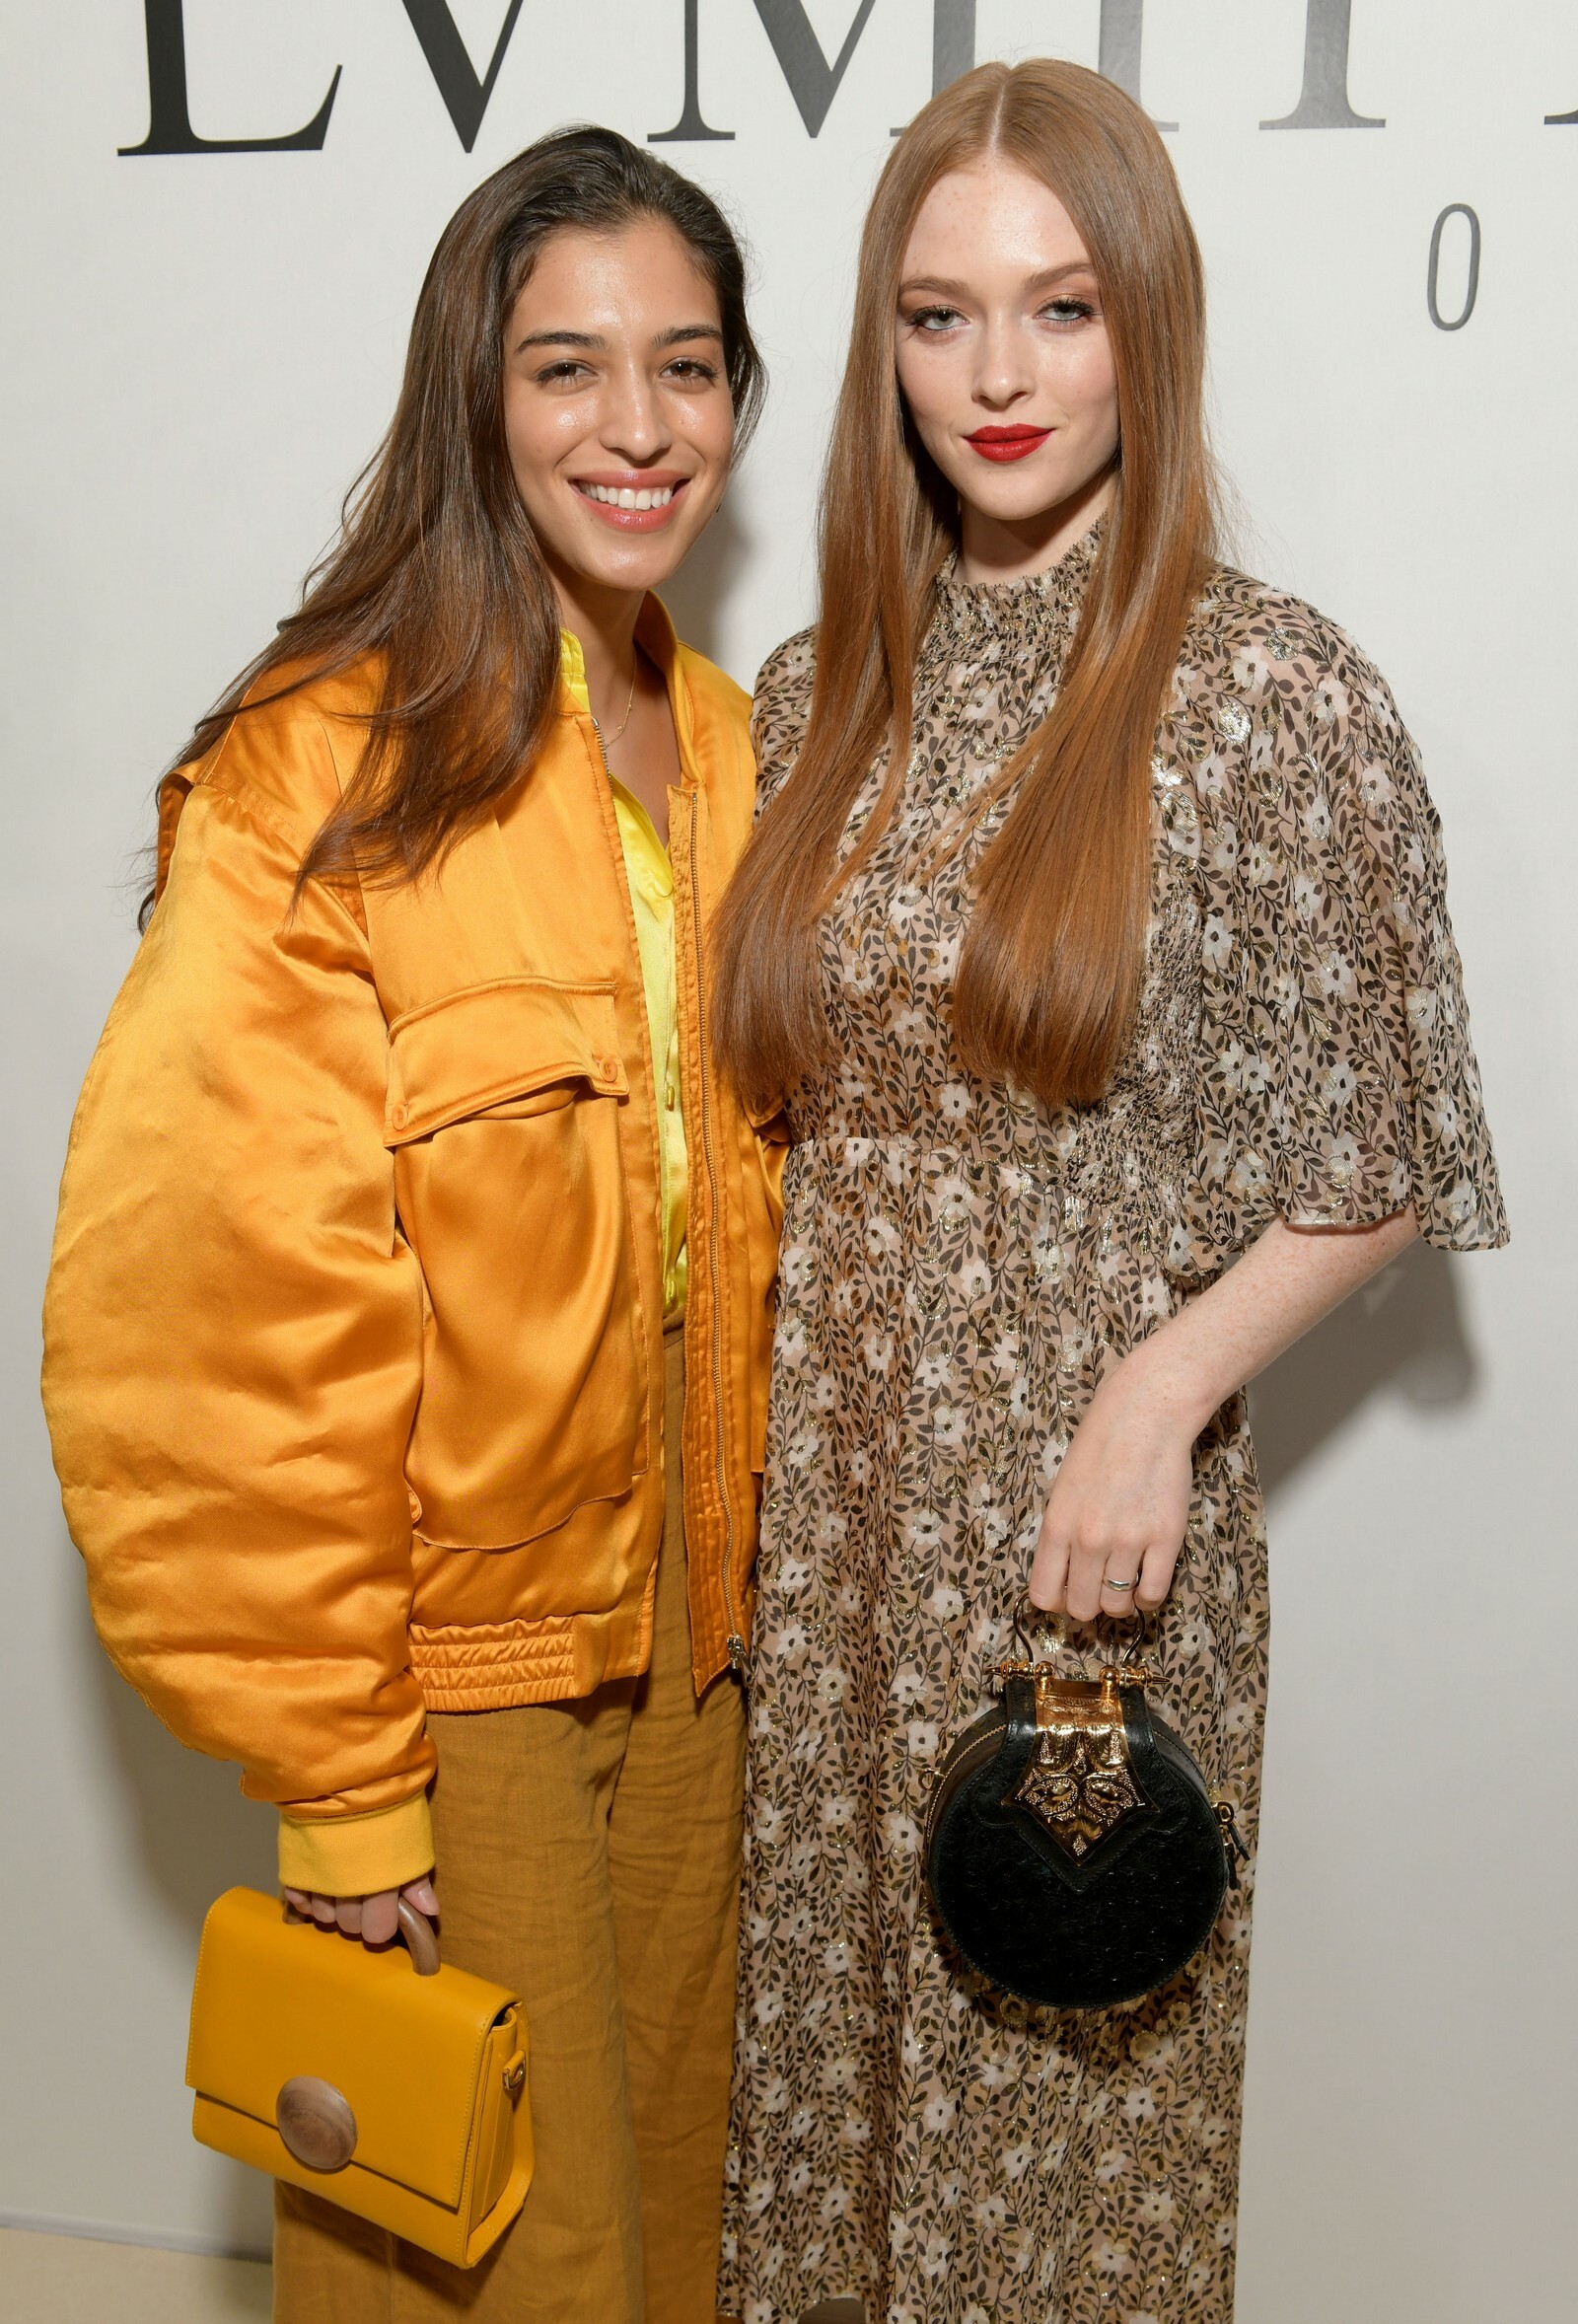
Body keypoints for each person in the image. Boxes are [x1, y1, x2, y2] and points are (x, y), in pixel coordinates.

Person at [711, 57, 1504, 2324]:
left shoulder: (1264, 693)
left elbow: (1384, 1144)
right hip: (828, 1519)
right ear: (881, 348)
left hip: (1081, 1540)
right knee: (828, 2108)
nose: (997, 374)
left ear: (1144, 322)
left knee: (1055, 2145)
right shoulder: (810, 692)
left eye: (1057, 308)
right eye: (937, 315)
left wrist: (1155, 1393)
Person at [43, 126, 780, 2324]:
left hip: (704, 1653)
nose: (637, 426)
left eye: (686, 365)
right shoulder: (323, 768)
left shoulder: (736, 745)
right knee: (485, 2264)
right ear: (474, 394)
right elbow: (213, 1320)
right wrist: (349, 1789)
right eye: (566, 367)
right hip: (461, 1675)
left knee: (670, 2241)